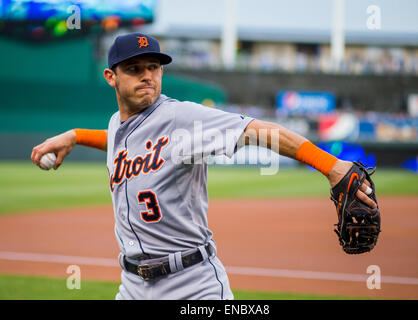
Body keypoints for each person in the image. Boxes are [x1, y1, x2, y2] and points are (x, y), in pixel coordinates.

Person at [30, 33, 376, 300]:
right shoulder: (118, 124)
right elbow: (122, 139)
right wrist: (75, 136)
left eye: (153, 67)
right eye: (135, 69)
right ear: (111, 77)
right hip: (133, 285)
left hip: (192, 283)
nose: (146, 76)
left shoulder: (181, 116)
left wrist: (330, 166)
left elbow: (257, 131)